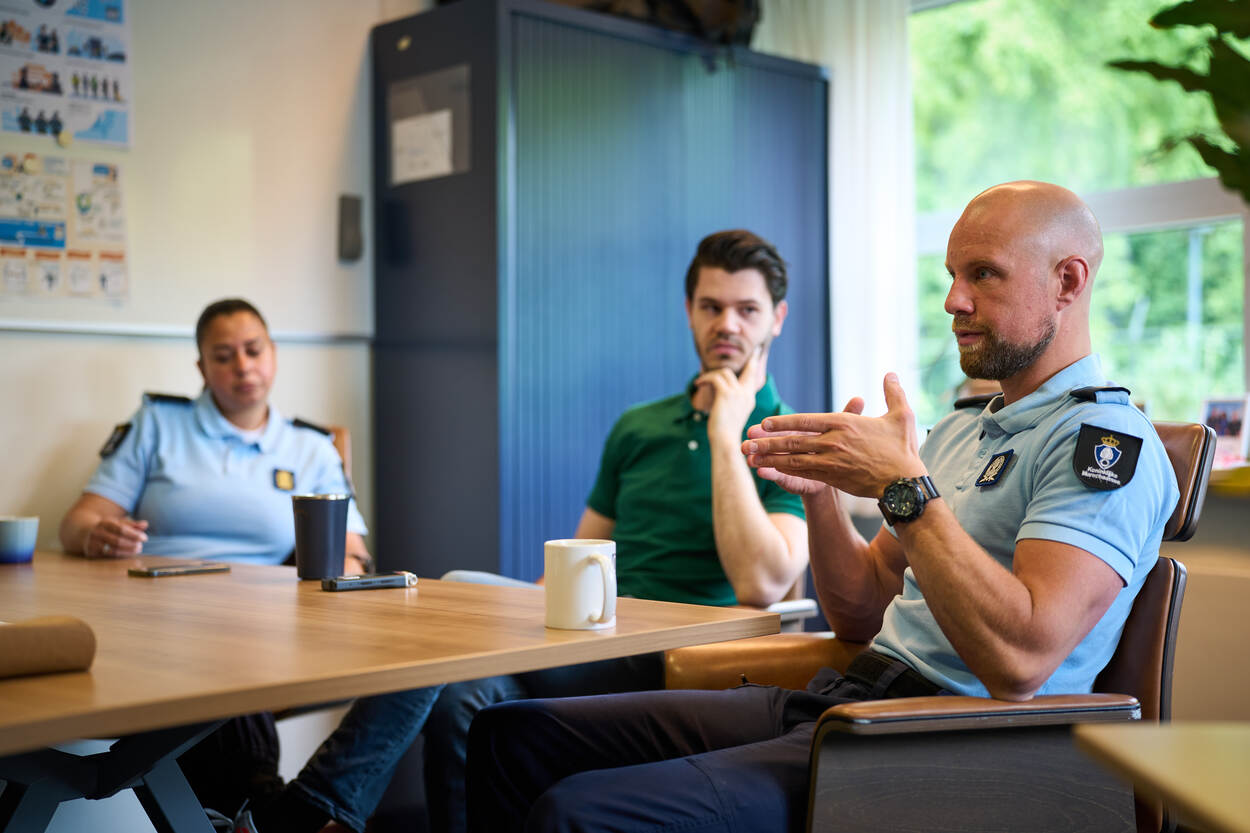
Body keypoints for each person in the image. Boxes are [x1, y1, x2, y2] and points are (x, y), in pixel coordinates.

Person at [464, 181, 1181, 833]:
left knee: (576, 813)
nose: (953, 300)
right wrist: (825, 500)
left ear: (1068, 282)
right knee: (510, 734)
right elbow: (859, 611)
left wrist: (905, 489)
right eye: (951, 276)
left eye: (983, 274)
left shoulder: (1106, 442)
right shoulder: (966, 425)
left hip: (934, 739)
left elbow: (1021, 662)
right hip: (847, 695)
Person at [422, 229, 810, 832]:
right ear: (689, 312)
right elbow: (576, 559)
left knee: (452, 603)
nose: (727, 324)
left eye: (747, 309)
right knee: (457, 692)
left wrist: (724, 432)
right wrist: (525, 620)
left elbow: (763, 582)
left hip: (682, 654)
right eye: (711, 307)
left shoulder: (789, 435)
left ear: (777, 319)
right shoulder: (638, 426)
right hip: (597, 636)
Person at [59, 298, 442, 833]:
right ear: (201, 368)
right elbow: (76, 523)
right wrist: (97, 535)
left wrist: (349, 568)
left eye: (253, 350)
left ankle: (299, 806)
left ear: (274, 355)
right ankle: (271, 811)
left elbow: (352, 550)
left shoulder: (310, 447)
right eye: (223, 356)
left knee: (428, 660)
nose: (242, 367)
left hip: (272, 622)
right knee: (219, 655)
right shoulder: (158, 425)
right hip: (161, 621)